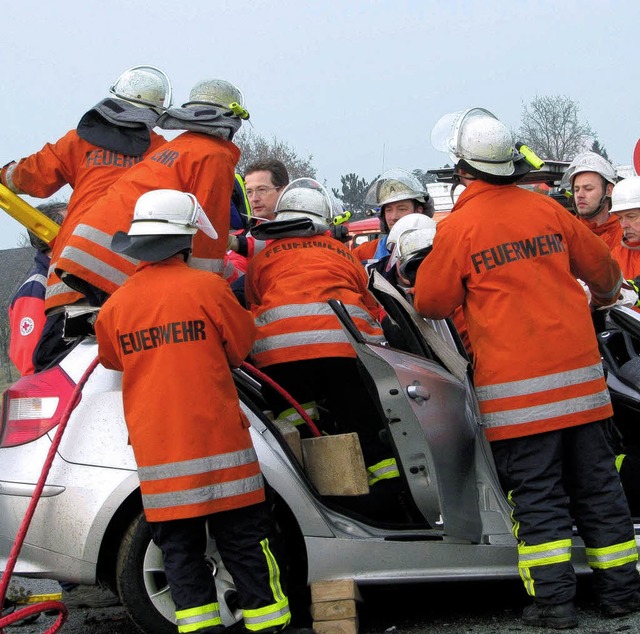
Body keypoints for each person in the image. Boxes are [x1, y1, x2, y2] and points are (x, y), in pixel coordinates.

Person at [413, 106, 640, 629]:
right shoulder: (549, 210)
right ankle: (622, 595)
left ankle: (555, 605)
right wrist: (604, 297)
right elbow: (604, 272)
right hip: (584, 388)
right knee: (600, 490)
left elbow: (429, 301)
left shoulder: (460, 227)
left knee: (539, 500)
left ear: (462, 168)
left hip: (518, 401)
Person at [95, 189, 307, 634]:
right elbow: (241, 347)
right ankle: (268, 626)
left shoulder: (114, 308)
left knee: (180, 555)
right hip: (221, 452)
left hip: (160, 461)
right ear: (186, 240)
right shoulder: (208, 289)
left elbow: (113, 361)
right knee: (248, 545)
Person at [244, 178, 408, 521]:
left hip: (280, 359)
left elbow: (254, 301)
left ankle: (316, 505)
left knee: (299, 430)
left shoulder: (263, 257)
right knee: (361, 424)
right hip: (344, 352)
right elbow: (367, 300)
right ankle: (389, 504)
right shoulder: (343, 253)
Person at [56, 78, 248, 302]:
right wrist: (207, 291)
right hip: (117, 262)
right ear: (232, 122)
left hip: (87, 252)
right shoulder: (214, 156)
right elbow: (208, 233)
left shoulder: (178, 148)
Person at [8, 202, 67, 375]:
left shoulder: (70, 278)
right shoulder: (36, 288)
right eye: (72, 223)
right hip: (61, 392)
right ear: (49, 233)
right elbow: (29, 362)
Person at [351, 168, 434, 268]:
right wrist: (334, 243)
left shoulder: (436, 247)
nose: (394, 217)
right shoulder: (368, 252)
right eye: (388, 210)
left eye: (402, 209)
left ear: (418, 211)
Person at [562, 151, 622, 249]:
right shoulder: (565, 233)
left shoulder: (626, 232)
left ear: (609, 190)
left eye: (588, 189)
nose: (580, 195)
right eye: (576, 190)